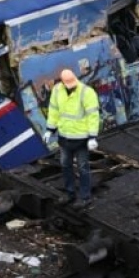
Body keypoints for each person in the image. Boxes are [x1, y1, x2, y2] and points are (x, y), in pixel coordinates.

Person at [45, 69, 101, 208]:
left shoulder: (86, 92)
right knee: (65, 166)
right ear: (62, 82)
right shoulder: (57, 90)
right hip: (64, 137)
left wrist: (92, 137)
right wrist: (49, 130)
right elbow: (53, 111)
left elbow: (93, 116)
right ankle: (70, 193)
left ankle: (85, 197)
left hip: (81, 139)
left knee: (83, 167)